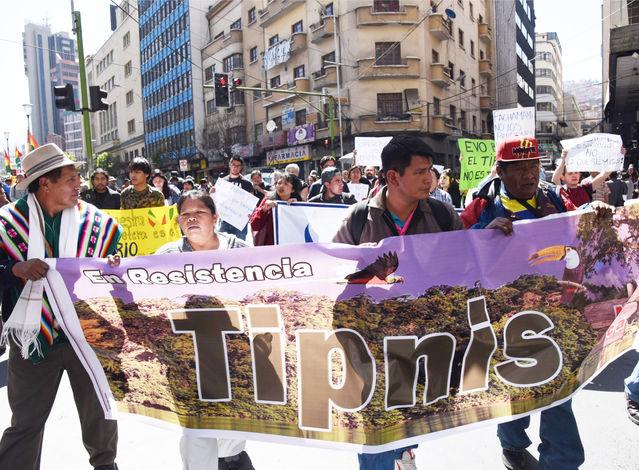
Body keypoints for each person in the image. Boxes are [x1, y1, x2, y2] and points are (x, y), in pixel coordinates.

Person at [333, 135, 463, 470]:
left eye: (430, 171)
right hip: (373, 344)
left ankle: (404, 452)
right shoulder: (359, 219)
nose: (429, 178)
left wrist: (492, 234)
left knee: (412, 412)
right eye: (420, 171)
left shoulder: (443, 214)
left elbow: (467, 260)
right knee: (374, 429)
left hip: (423, 340)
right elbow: (335, 275)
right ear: (393, 177)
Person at [462, 137, 584, 470]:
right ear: (500, 171)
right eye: (519, 168)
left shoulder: (555, 199)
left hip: (553, 315)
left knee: (557, 390)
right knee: (516, 387)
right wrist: (483, 233)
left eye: (534, 165)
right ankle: (513, 445)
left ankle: (561, 462)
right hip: (504, 318)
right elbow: (454, 250)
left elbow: (581, 232)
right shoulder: (482, 206)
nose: (529, 174)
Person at [0, 143, 122, 470]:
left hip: (87, 334)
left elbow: (112, 273)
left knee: (101, 418)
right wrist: (14, 270)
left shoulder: (96, 223)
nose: (78, 184)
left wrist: (112, 265)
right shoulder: (6, 225)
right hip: (32, 339)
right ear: (45, 183)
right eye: (70, 178)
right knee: (25, 424)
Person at [154, 190, 253, 470]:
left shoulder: (240, 252)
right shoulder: (166, 258)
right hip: (189, 363)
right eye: (185, 214)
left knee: (232, 437)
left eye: (199, 213)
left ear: (215, 218)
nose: (191, 218)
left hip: (235, 360)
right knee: (198, 436)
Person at [250, 173, 300, 246]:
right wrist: (263, 210)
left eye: (286, 184)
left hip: (290, 248)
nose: (281, 186)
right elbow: (254, 225)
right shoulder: (268, 200)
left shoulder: (297, 204)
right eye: (279, 183)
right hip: (269, 249)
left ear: (292, 190)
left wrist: (297, 208)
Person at [220, 157, 254, 240]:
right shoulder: (222, 182)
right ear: (229, 165)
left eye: (238, 165)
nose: (235, 167)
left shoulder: (247, 183)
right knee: (223, 244)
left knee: (240, 247)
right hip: (226, 219)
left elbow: (251, 202)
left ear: (241, 167)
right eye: (233, 165)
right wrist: (212, 193)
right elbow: (218, 200)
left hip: (241, 221)